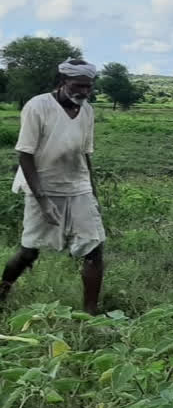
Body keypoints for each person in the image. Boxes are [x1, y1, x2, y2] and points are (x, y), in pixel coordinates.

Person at [0, 58, 105, 315]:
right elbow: (25, 154)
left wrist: (93, 193)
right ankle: (1, 293)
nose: (84, 92)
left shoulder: (87, 111)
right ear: (62, 82)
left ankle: (90, 313)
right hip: (42, 186)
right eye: (78, 85)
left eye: (88, 87)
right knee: (29, 252)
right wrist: (43, 201)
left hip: (77, 186)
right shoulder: (38, 106)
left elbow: (85, 154)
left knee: (95, 247)